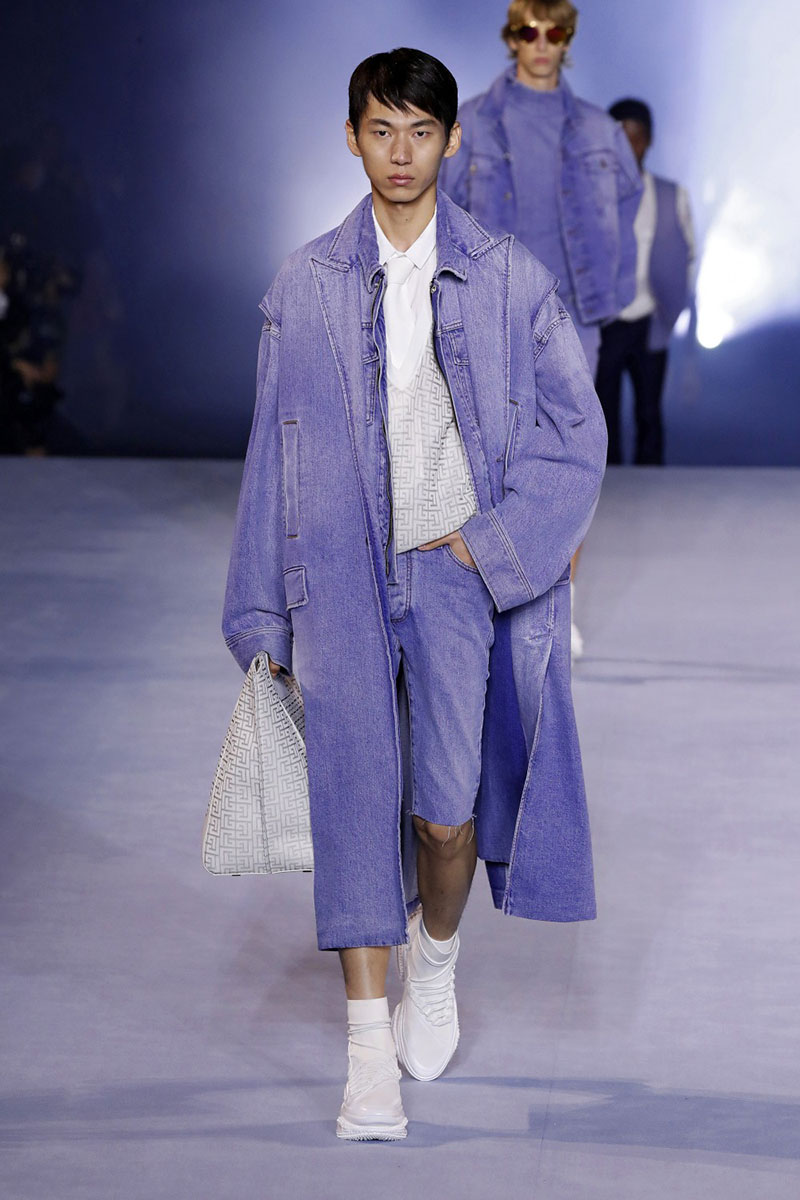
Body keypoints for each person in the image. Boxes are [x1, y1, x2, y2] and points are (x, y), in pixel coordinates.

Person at [222, 47, 606, 1142]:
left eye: (421, 132)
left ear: (450, 140)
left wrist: (490, 549)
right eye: (381, 130)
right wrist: (261, 610)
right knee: (353, 802)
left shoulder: (507, 278)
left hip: (451, 576)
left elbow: (576, 436)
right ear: (351, 138)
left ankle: (434, 960)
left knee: (444, 814)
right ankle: (365, 1063)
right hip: (340, 574)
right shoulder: (303, 284)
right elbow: (272, 449)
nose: (401, 153)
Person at [438, 0, 641, 378]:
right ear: (512, 39)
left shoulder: (599, 128)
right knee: (497, 420)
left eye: (555, 33)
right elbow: (442, 209)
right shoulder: (473, 122)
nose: (542, 44)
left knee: (571, 419)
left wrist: (615, 290)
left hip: (575, 314)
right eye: (530, 32)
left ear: (567, 41)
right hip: (491, 311)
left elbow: (628, 201)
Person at [595, 99, 695, 465]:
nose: (629, 145)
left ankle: (651, 483)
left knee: (649, 410)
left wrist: (674, 307)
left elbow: (687, 255)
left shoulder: (671, 195)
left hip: (652, 316)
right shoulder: (591, 195)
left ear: (649, 140)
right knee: (602, 410)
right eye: (620, 137)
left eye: (636, 137)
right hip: (605, 320)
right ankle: (607, 484)